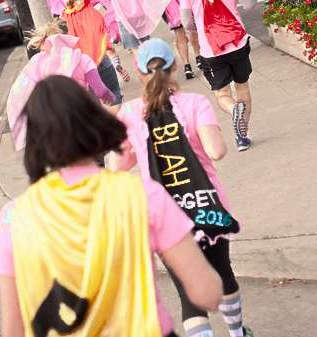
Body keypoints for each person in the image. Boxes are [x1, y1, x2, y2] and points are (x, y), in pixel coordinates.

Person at [0, 75, 223, 337]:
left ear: (35, 138)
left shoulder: (14, 218)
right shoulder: (141, 195)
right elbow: (207, 294)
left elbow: (13, 329)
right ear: (92, 121)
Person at [108, 38, 253, 337]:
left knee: (189, 296)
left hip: (165, 219)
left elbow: (117, 166)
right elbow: (216, 151)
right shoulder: (195, 103)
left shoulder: (131, 113)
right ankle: (237, 333)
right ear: (174, 67)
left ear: (139, 72)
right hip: (207, 206)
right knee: (223, 274)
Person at [179, 0, 258, 151]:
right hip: (238, 41)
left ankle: (233, 110)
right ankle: (243, 136)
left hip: (210, 48)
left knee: (222, 94)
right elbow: (248, 4)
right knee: (243, 87)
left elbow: (186, 22)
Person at [6, 19, 116, 152]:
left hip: (55, 123)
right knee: (93, 156)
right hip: (83, 118)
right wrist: (111, 98)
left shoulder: (37, 63)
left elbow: (23, 91)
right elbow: (101, 91)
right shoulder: (82, 59)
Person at [62, 0, 127, 106]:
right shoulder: (94, 12)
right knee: (115, 97)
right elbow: (106, 43)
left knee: (95, 108)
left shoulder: (63, 20)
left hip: (82, 69)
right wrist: (118, 65)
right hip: (102, 61)